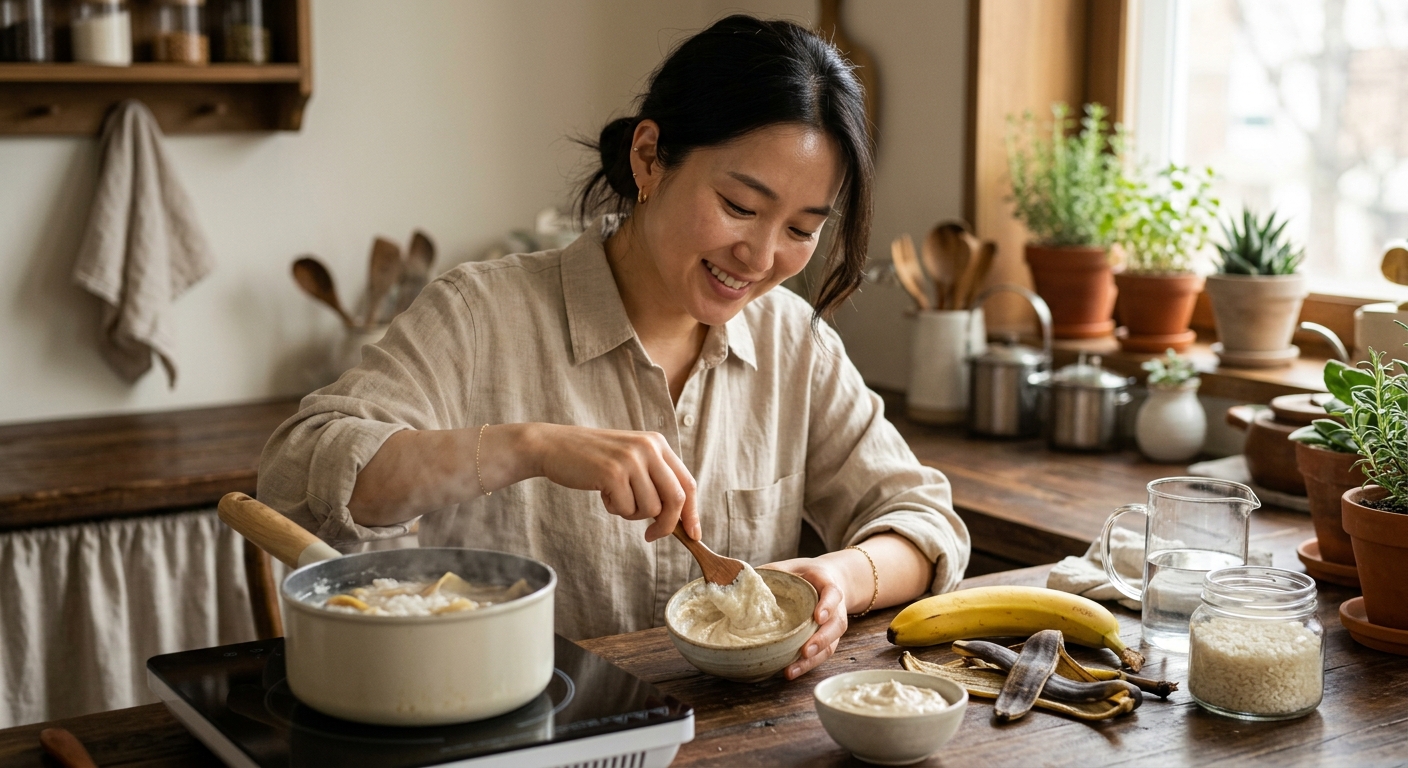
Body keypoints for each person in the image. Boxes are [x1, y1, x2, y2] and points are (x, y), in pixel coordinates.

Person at [258, 14, 969, 680]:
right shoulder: (481, 315)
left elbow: (925, 524)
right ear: (651, 157)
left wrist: (843, 577)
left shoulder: (792, 342)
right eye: (740, 208)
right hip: (513, 722)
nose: (760, 255)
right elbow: (298, 473)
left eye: (801, 229)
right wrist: (529, 448)